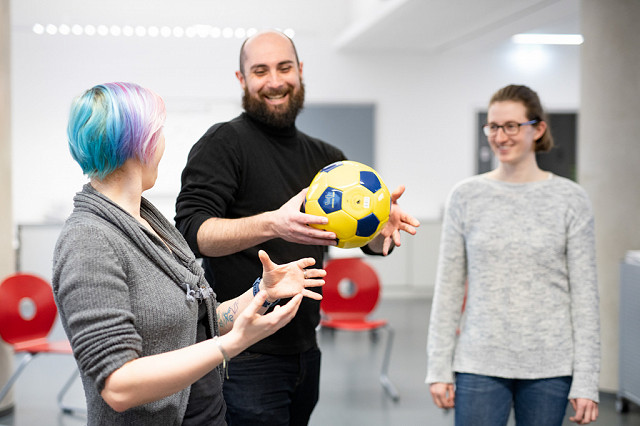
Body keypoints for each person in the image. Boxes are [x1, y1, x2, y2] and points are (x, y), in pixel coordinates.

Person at [175, 30, 420, 425]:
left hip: (306, 348)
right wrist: (274, 223)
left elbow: (362, 242)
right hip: (243, 353)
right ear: (242, 80)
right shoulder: (223, 143)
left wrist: (380, 229)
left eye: (284, 67)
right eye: (260, 70)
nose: (274, 81)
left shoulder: (328, 160)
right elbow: (190, 233)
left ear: (300, 72)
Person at [52, 82, 327, 426]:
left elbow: (198, 322)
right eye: (159, 131)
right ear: (141, 143)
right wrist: (232, 345)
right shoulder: (88, 240)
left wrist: (260, 293)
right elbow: (118, 386)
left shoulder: (152, 223)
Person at [426, 84, 600, 425]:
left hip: (550, 366)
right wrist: (438, 366)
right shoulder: (466, 196)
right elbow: (448, 290)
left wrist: (588, 380)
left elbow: (585, 297)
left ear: (537, 129)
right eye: (493, 126)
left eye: (511, 126)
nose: (500, 136)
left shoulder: (571, 200)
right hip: (479, 362)